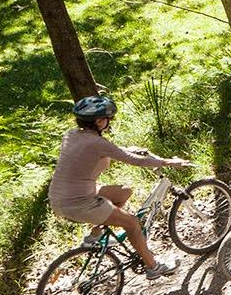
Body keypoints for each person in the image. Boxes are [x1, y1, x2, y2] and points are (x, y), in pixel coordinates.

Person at [49, 94, 193, 276]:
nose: (109, 122)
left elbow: (104, 150)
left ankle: (95, 236)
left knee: (123, 192)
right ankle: (154, 267)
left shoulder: (72, 135)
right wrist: (168, 162)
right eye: (108, 119)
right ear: (99, 121)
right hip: (79, 203)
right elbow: (134, 160)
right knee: (132, 223)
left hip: (59, 198)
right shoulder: (97, 142)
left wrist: (128, 150)